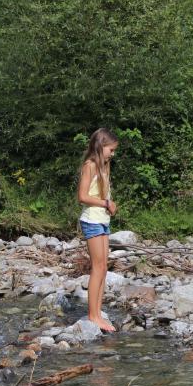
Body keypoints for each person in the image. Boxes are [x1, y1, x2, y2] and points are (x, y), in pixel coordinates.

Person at [77, 128, 119, 332]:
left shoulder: (105, 166)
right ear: (101, 146)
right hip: (91, 221)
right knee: (97, 267)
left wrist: (109, 204)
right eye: (111, 149)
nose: (113, 154)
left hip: (102, 221)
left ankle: (98, 312)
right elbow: (82, 196)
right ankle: (93, 316)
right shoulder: (90, 165)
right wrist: (105, 203)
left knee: (103, 267)